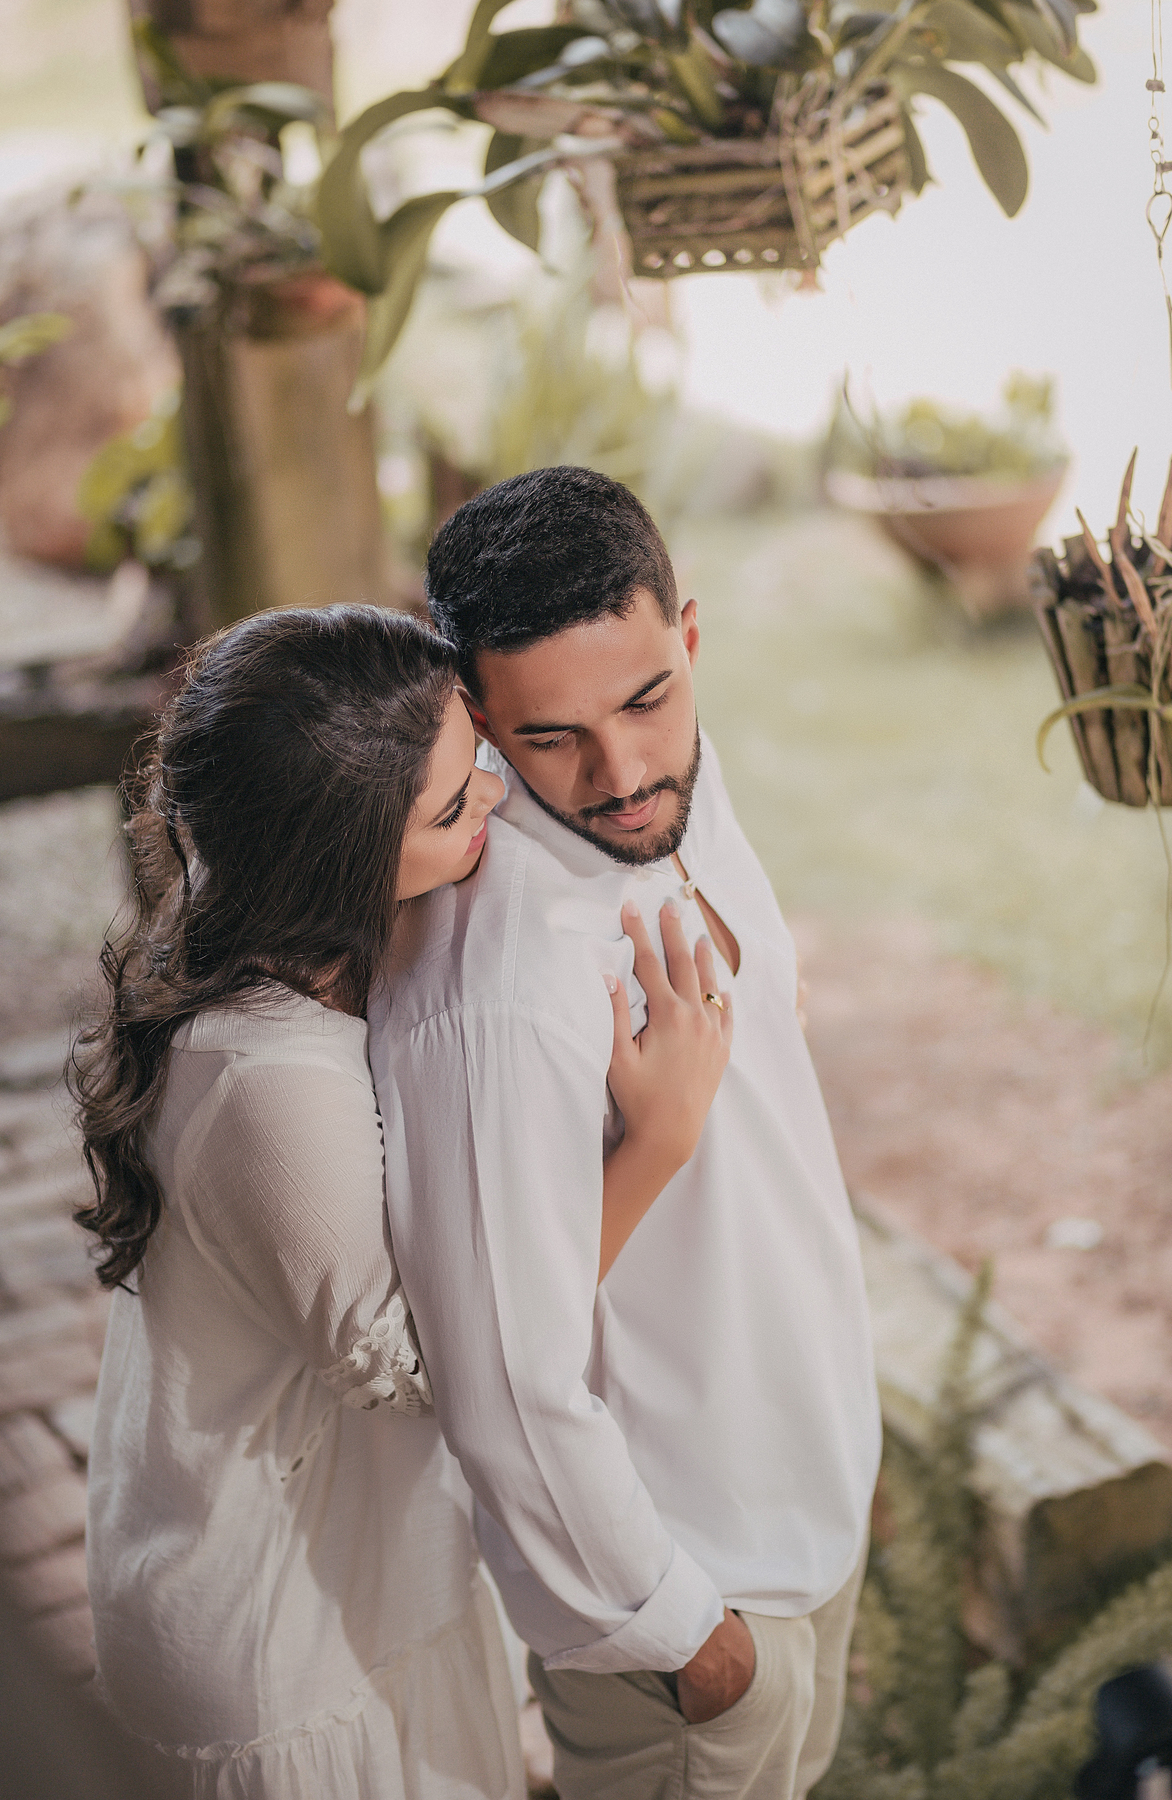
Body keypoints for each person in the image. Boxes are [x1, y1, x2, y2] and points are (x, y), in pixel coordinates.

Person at [71, 604, 732, 1800]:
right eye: (451, 807)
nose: (496, 799)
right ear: (339, 858)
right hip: (283, 1633)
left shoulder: (277, 935)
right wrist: (656, 1142)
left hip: (366, 1565)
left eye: (477, 760)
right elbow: (428, 1365)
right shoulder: (266, 1079)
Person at [370, 467, 883, 1800]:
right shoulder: (504, 992)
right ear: (480, 718)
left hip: (802, 1510)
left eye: (647, 699)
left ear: (689, 638)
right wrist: (693, 1644)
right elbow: (497, 1381)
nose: (622, 774)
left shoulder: (677, 792)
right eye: (552, 739)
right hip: (692, 1605)